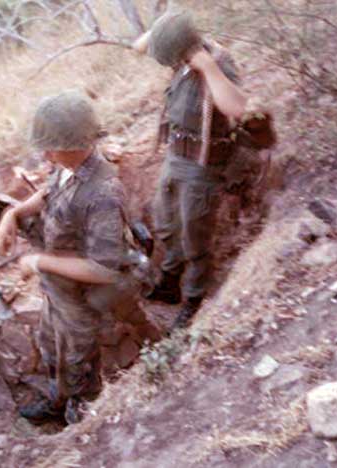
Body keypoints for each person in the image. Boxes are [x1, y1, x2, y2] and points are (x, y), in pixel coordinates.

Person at [0, 91, 160, 424]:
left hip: (91, 285)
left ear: (73, 145)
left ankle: (81, 413)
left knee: (77, 356)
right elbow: (48, 194)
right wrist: (12, 215)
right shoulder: (68, 166)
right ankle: (59, 400)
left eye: (51, 147)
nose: (45, 154)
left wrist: (40, 262)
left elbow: (102, 268)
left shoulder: (101, 192)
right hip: (63, 284)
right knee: (49, 341)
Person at [134, 11, 276, 329]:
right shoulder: (180, 55)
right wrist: (165, 28)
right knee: (165, 222)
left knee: (194, 234)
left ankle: (194, 297)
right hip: (176, 155)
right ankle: (171, 279)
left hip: (203, 164)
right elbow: (138, 46)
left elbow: (238, 109)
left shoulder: (216, 62)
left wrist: (208, 67)